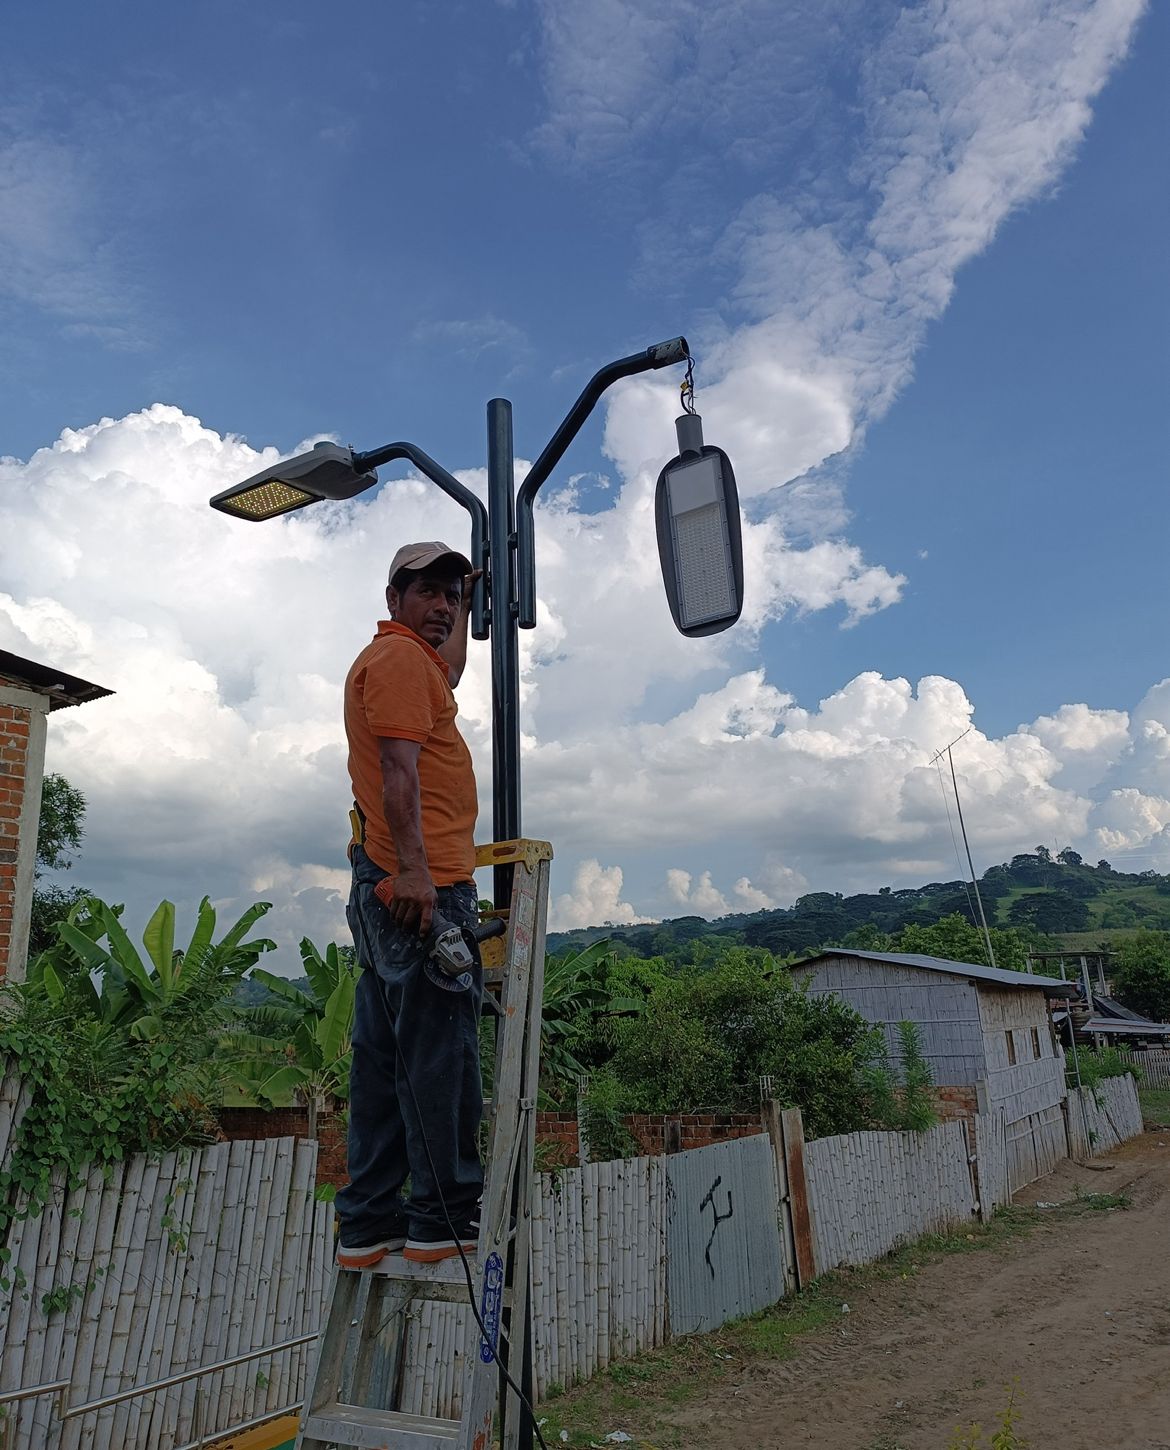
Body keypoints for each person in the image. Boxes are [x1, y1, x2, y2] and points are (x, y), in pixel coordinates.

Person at [336, 540, 484, 1268]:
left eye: (452, 596)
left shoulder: (415, 662)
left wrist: (469, 603)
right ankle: (442, 1217)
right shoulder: (397, 660)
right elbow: (399, 772)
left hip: (393, 882)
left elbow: (449, 667)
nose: (443, 607)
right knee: (438, 1056)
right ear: (393, 599)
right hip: (421, 890)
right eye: (428, 592)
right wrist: (419, 874)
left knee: (385, 1054)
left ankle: (370, 1221)